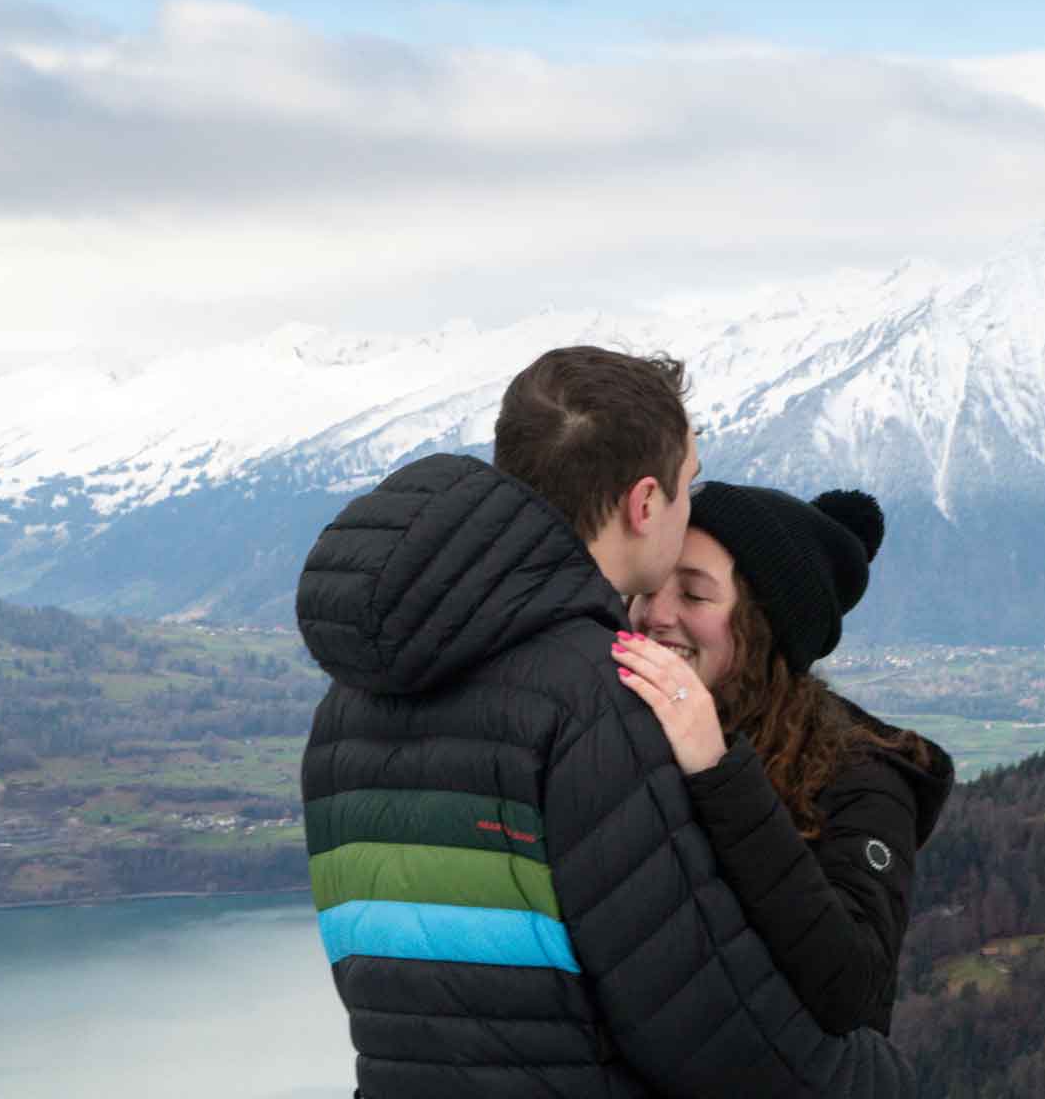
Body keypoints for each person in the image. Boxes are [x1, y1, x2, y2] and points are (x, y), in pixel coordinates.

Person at [296, 346, 914, 1098]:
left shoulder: (347, 703)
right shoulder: (599, 703)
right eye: (687, 487)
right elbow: (710, 1030)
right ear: (645, 503)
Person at [610, 482, 954, 1036]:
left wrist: (720, 774)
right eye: (650, 586)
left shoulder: (864, 779)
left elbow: (852, 987)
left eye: (695, 596)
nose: (654, 615)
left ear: (764, 628)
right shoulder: (616, 726)